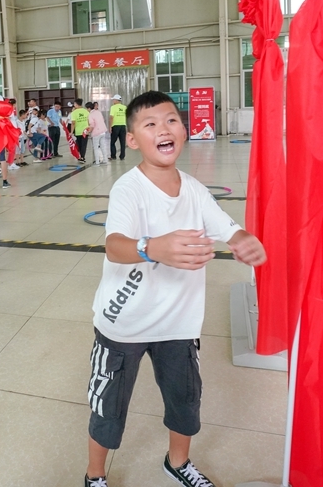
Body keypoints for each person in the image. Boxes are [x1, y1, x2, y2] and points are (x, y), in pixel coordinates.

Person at [84, 91, 266, 487]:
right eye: (150, 124)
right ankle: (95, 474)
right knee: (108, 408)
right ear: (132, 139)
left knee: (185, 403)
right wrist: (153, 248)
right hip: (123, 323)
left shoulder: (195, 190)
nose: (164, 129)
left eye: (171, 120)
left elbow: (226, 225)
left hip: (179, 326)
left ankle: (178, 463)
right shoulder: (128, 190)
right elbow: (114, 246)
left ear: (183, 130)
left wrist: (242, 238)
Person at [70, 98, 90, 164]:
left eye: (74, 104)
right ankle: (82, 157)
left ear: (76, 104)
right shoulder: (86, 111)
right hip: (85, 131)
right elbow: (89, 121)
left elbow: (73, 123)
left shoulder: (74, 112)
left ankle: (81, 157)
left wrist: (71, 132)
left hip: (78, 131)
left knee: (79, 145)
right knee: (83, 145)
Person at [109, 94, 127, 161]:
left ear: (117, 100)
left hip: (115, 126)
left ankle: (113, 156)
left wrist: (110, 126)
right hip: (123, 126)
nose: (113, 101)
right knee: (122, 142)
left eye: (114, 99)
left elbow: (111, 117)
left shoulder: (113, 107)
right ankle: (122, 156)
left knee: (112, 142)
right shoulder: (124, 107)